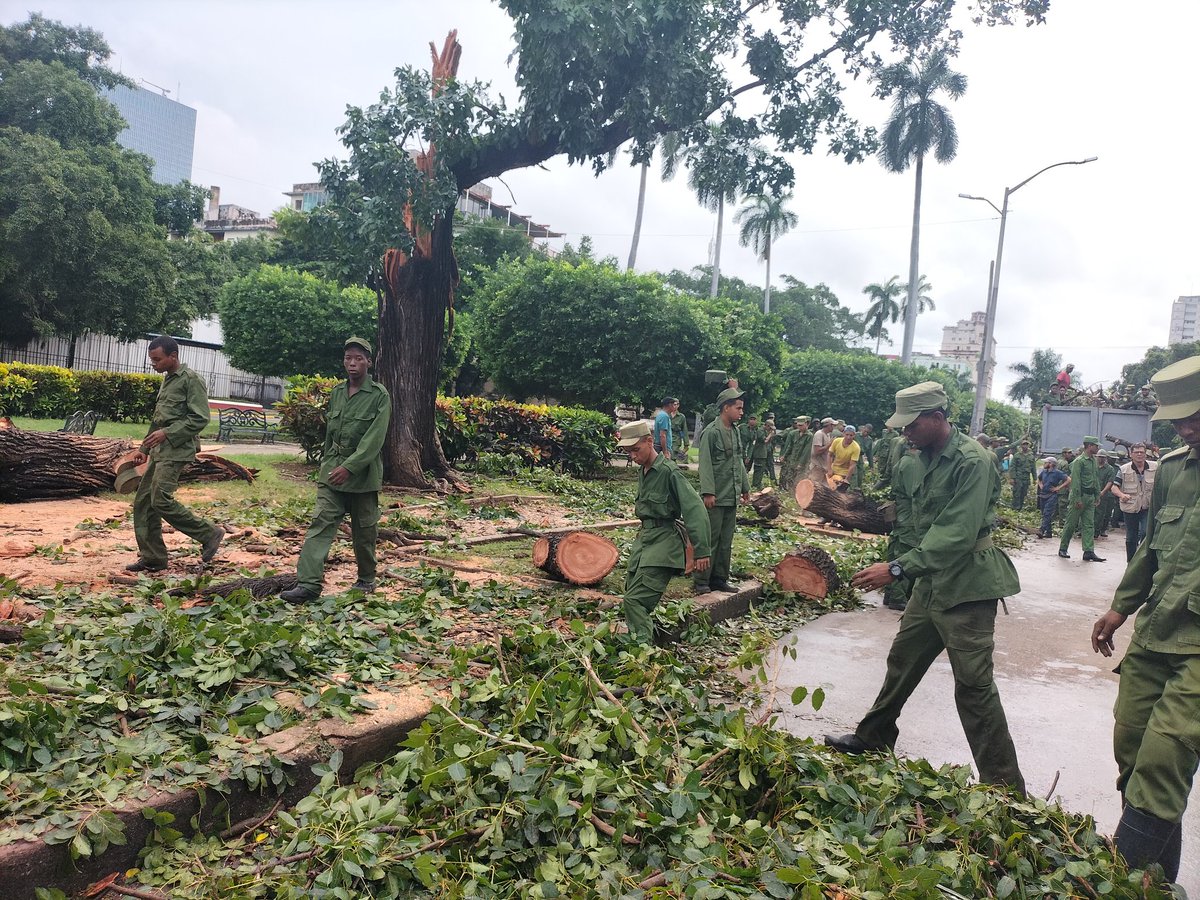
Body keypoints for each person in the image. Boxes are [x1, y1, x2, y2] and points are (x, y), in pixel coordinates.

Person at [824, 381, 1025, 794]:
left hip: (967, 587)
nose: (905, 433)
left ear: (937, 419)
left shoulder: (974, 461)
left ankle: (1004, 786)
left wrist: (897, 569)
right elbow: (911, 520)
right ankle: (874, 735)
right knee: (903, 659)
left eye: (912, 425)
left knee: (973, 685)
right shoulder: (914, 460)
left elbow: (956, 533)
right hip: (930, 583)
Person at [1090, 355, 1200, 884]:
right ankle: (1157, 884)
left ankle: (1118, 882)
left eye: (1194, 415)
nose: (1184, 427)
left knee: (1162, 761)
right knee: (1132, 751)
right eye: (1178, 418)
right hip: (1157, 632)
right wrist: (1119, 607)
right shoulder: (1175, 468)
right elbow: (1152, 549)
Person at [282, 338, 391, 603]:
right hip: (332, 475)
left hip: (363, 478)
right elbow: (331, 434)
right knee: (320, 525)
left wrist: (350, 467)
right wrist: (329, 463)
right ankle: (308, 585)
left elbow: (374, 440)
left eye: (358, 359)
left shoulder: (379, 396)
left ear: (369, 362)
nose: (352, 364)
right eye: (348, 358)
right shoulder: (338, 393)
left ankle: (366, 579)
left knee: (364, 533)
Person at [125, 336, 224, 572]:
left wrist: (168, 434)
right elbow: (159, 419)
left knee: (160, 500)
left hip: (177, 450)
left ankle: (209, 533)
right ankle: (153, 558)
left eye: (157, 359)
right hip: (160, 450)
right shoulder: (167, 380)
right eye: (152, 360)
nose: (154, 364)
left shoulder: (191, 380)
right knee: (143, 503)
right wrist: (144, 448)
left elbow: (200, 418)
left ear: (173, 356)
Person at [616, 420, 711, 643]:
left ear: (650, 441)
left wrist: (702, 550)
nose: (632, 456)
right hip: (645, 541)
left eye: (635, 450)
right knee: (630, 590)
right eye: (628, 452)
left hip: (664, 544)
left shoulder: (669, 472)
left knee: (635, 601)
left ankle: (642, 653)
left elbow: (695, 509)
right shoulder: (644, 471)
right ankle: (643, 639)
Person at [694, 387, 750, 595]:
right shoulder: (711, 432)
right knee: (710, 539)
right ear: (726, 408)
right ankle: (701, 580)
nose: (741, 412)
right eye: (738, 408)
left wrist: (745, 487)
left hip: (731, 495)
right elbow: (705, 464)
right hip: (716, 496)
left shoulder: (735, 431)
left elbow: (738, 462)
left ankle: (719, 578)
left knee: (726, 541)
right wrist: (708, 492)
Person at [881, 438, 920, 611]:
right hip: (909, 515)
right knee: (906, 554)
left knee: (895, 551)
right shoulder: (911, 464)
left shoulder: (901, 462)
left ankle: (889, 593)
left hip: (901, 512)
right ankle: (898, 596)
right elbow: (915, 492)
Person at [1058, 436, 1105, 562]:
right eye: (1096, 446)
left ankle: (1088, 551)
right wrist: (1077, 499)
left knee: (1089, 525)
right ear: (1089, 446)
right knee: (1071, 524)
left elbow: (1096, 479)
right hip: (1079, 497)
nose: (1098, 448)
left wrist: (1097, 495)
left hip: (1090, 497)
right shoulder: (1079, 461)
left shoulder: (1093, 461)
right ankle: (1063, 548)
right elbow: (1075, 481)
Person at [1110, 442, 1157, 562]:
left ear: (1145, 453)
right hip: (1130, 507)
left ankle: (1142, 561)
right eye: (1137, 452)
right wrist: (1122, 495)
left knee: (1146, 533)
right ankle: (1130, 562)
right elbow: (1114, 487)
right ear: (1131, 454)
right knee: (1131, 537)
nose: (1140, 454)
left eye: (1142, 452)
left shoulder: (1155, 467)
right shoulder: (1124, 469)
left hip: (1148, 506)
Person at [1036, 457, 1070, 539]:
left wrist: (1058, 488)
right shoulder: (1044, 472)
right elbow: (1039, 479)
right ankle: (1049, 532)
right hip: (1043, 495)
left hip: (1051, 496)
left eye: (1046, 462)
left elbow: (1068, 480)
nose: (1044, 464)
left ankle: (1042, 530)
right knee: (1044, 513)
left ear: (1051, 464)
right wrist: (1041, 486)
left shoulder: (1057, 473)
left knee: (1047, 513)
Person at [779, 416, 811, 495]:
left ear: (806, 424)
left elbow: (806, 452)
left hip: (802, 463)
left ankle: (796, 495)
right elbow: (790, 446)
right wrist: (784, 456)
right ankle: (789, 494)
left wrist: (801, 463)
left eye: (801, 425)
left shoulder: (809, 436)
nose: (799, 427)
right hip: (792, 460)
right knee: (789, 478)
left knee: (798, 480)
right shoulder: (794, 433)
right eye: (798, 425)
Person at [829, 425, 862, 491]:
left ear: (854, 435)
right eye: (847, 434)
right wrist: (829, 469)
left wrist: (847, 479)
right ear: (843, 433)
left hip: (845, 472)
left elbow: (852, 465)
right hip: (834, 469)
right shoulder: (836, 441)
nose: (848, 437)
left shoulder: (856, 448)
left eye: (851, 435)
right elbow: (830, 455)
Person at [1008, 439, 1036, 511]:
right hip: (1018, 477)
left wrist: (1035, 478)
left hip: (1026, 478)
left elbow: (1033, 468)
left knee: (1024, 493)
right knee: (1017, 493)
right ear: (1021, 446)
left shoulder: (1031, 456)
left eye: (1026, 444)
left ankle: (1020, 508)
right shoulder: (1017, 455)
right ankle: (1015, 509)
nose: (1025, 446)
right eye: (1023, 444)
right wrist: (1012, 478)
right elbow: (1012, 467)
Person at [1093, 450, 1116, 539]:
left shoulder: (1110, 469)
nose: (1101, 459)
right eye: (1099, 457)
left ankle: (1096, 531)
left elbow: (1110, 482)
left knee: (1100, 514)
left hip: (1103, 495)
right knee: (1089, 513)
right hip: (1092, 493)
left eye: (1103, 457)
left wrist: (1102, 492)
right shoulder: (1093, 466)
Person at [810, 417, 835, 482]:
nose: (834, 427)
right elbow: (817, 451)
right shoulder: (819, 434)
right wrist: (829, 444)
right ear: (829, 425)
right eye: (832, 425)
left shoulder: (828, 435)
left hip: (824, 467)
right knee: (814, 486)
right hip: (817, 467)